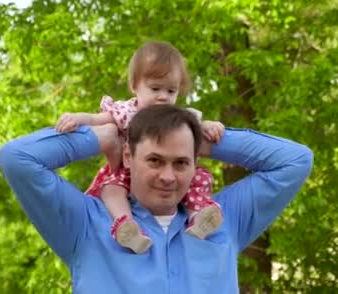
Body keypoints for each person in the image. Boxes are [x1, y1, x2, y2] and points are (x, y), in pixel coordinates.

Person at [0, 105, 313, 293]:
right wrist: (102, 136)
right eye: (154, 160)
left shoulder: (221, 219)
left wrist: (206, 140)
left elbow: (295, 160)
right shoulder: (85, 223)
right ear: (128, 156)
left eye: (181, 162)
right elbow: (17, 158)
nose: (168, 176)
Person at [54, 41, 224, 253]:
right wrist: (79, 118)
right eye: (155, 88)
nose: (163, 96)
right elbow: (98, 118)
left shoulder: (178, 117)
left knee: (199, 178)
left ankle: (199, 216)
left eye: (171, 90)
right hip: (127, 171)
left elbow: (195, 126)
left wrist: (209, 126)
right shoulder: (128, 112)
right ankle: (125, 224)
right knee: (111, 188)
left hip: (164, 170)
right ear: (135, 86)